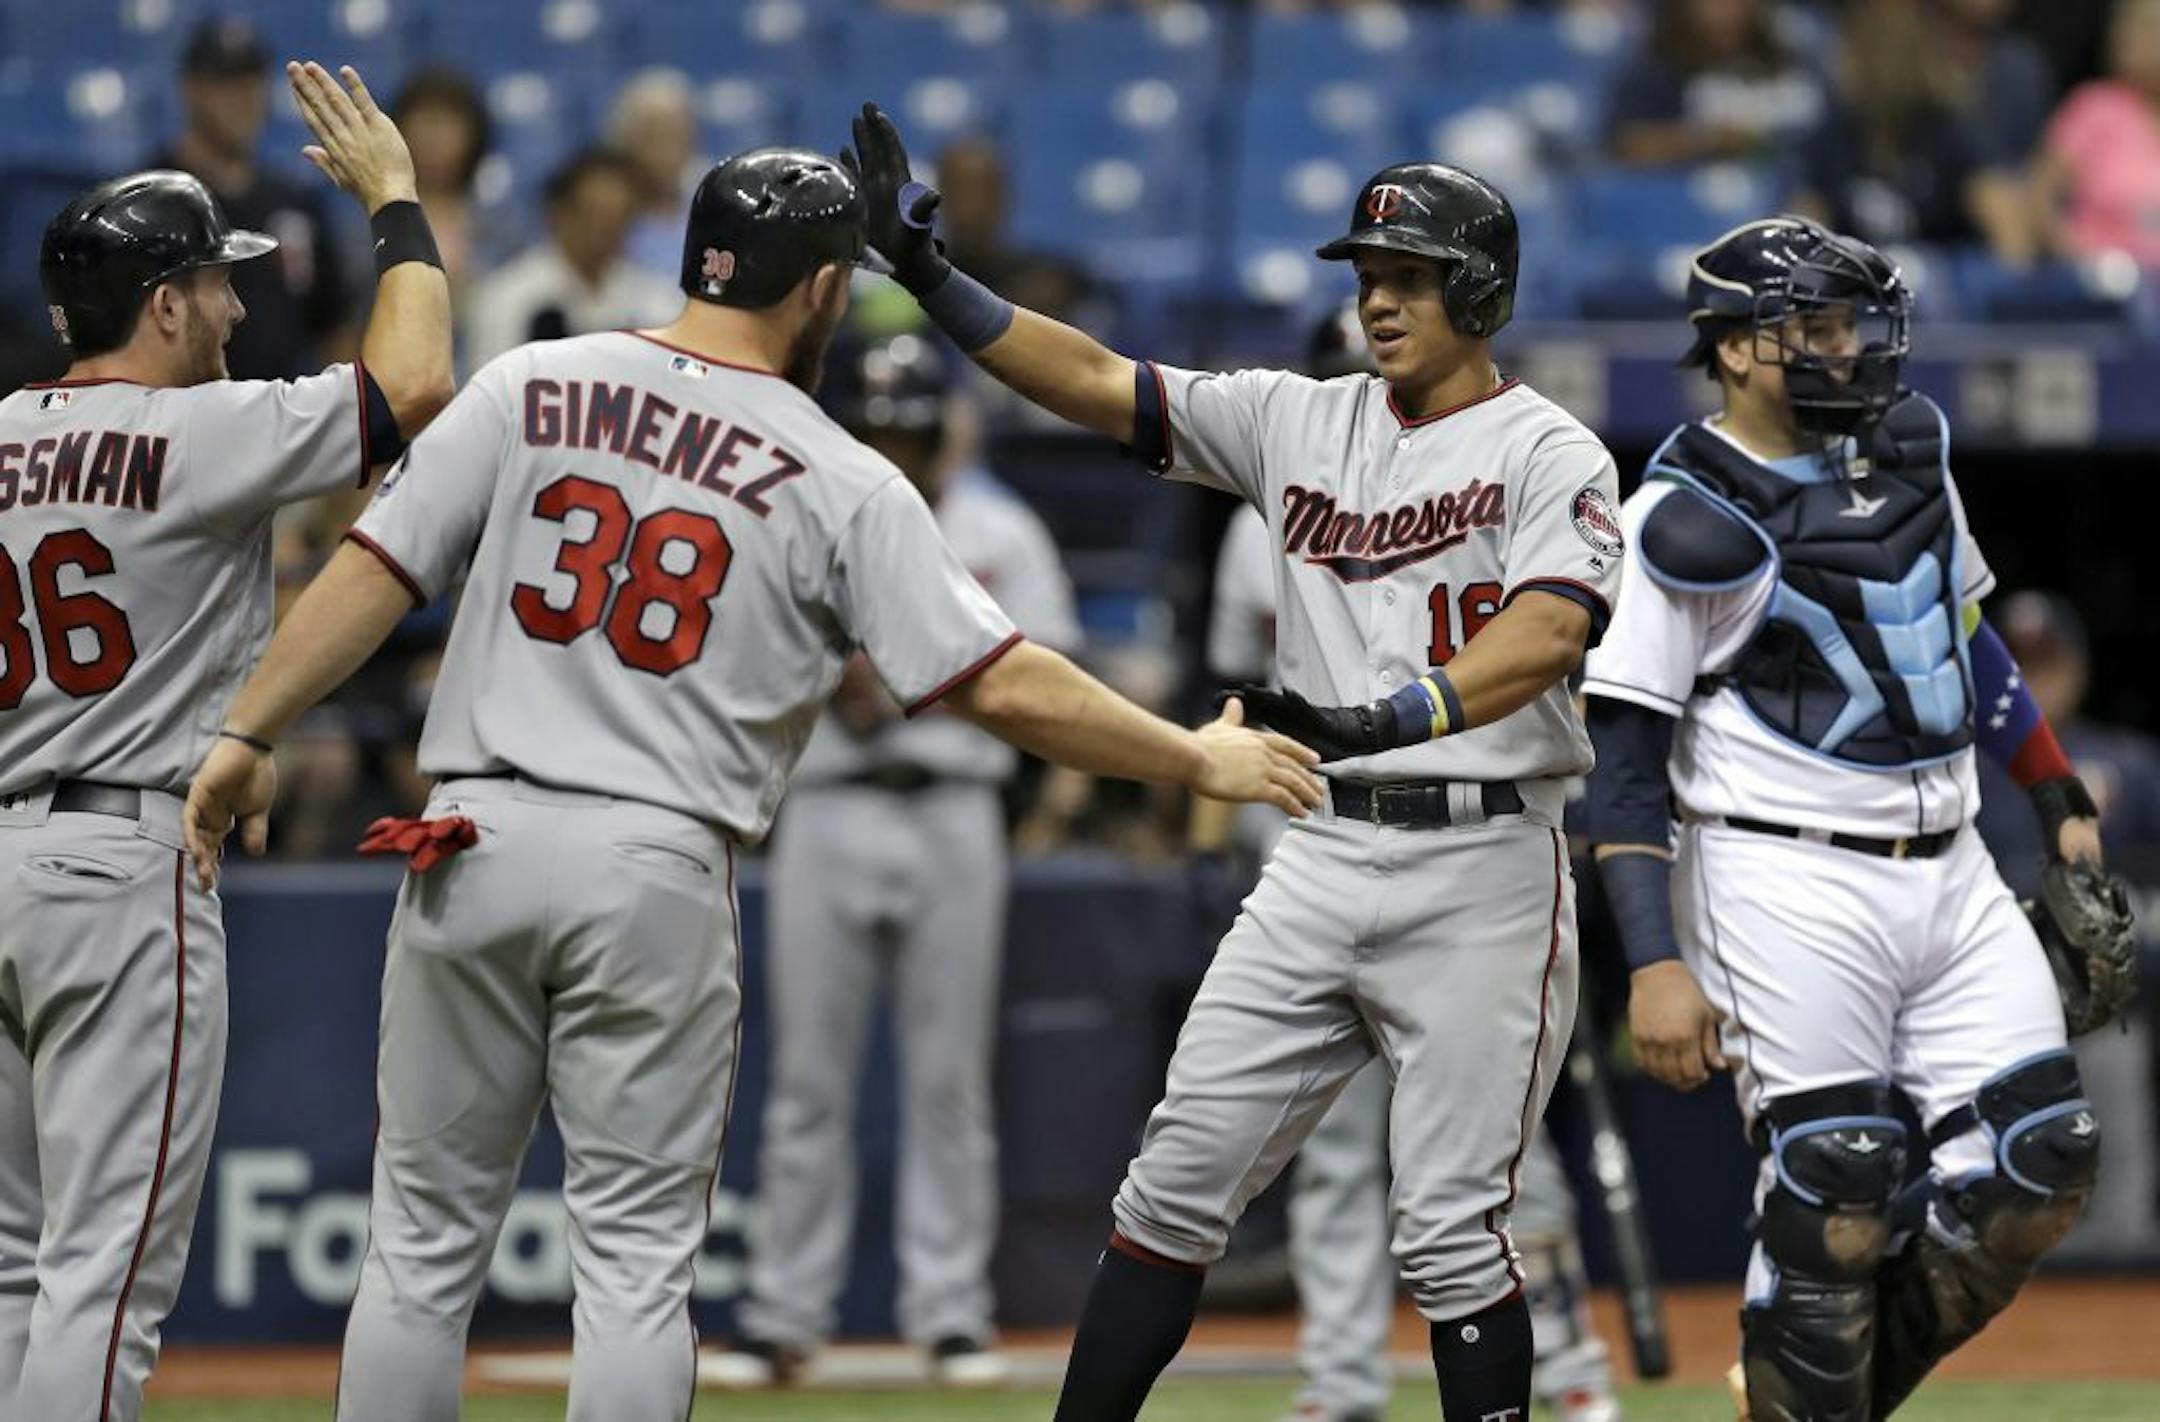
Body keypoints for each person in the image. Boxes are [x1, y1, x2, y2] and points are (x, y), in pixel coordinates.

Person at [180, 145, 1323, 1422]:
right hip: (655, 864)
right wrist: (1188, 753)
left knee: (417, 1253)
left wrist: (246, 730)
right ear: (824, 290)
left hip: (472, 831)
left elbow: (372, 568)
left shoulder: (535, 381)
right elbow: (1000, 682)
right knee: (631, 1273)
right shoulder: (838, 472)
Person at [840, 102, 1624, 1422]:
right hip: (1318, 843)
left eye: (1410, 280)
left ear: (1479, 287)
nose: (1379, 303)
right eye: (1369, 279)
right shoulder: (1294, 418)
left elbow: (1550, 630)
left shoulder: (1551, 449)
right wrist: (934, 283)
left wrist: (1399, 714)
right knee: (1173, 1180)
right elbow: (1099, 382)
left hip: (1486, 857)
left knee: (1448, 1230)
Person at [1576, 216, 2121, 1420]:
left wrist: (2056, 790)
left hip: (1956, 865)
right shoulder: (1683, 512)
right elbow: (1622, 761)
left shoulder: (1914, 445)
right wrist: (1654, 965)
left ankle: (1808, 1397)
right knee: (1835, 1189)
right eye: (1810, 330)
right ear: (1732, 352)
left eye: (1849, 325)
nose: (1843, 351)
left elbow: (1959, 632)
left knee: (2041, 1166)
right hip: (1782, 876)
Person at [0, 63, 452, 1422]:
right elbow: (415, 378)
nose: (240, 307)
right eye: (217, 284)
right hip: (123, 866)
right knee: (106, 1271)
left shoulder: (2, 434)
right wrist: (398, 204)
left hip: (7, 842)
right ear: (162, 305)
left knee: (15, 1261)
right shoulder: (198, 428)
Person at [1203, 304, 1622, 1422]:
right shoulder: (1275, 508)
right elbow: (1238, 692)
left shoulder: (1515, 463)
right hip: (1315, 824)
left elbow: (1549, 643)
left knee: (1484, 1177)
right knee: (1339, 1160)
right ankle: (1341, 1380)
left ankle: (1573, 1376)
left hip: (1481, 829)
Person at [716, 332, 1081, 1389]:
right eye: (876, 426)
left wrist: (927, 675)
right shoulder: (801, 509)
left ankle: (950, 1316)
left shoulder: (995, 525)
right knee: (806, 1085)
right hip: (826, 801)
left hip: (954, 799)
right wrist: (833, 676)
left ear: (942, 429)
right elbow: (741, 656)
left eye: (909, 428)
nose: (893, 444)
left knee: (949, 1079)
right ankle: (784, 1318)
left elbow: (1050, 666)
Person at [149, 16, 358, 377]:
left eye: (251, 82)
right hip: (181, 411)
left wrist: (344, 417)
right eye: (225, 83)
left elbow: (333, 326)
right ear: (191, 89)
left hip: (277, 412)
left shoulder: (294, 201)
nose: (242, 99)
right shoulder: (150, 197)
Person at [1793, 0, 2053, 263]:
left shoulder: (1949, 129)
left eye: (1897, 51)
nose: (1886, 68)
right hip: (1857, 283)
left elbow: (2014, 244)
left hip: (1938, 280)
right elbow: (1803, 232)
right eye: (1874, 49)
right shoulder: (1834, 133)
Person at [461, 147, 679, 368]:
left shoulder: (656, 303)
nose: (601, 230)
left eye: (616, 219)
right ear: (557, 212)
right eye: (591, 215)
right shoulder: (506, 298)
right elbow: (489, 390)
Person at [1604, 0, 1827, 168]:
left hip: (1781, 202)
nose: (1726, 11)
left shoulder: (1789, 67)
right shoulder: (1657, 69)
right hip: (1686, 209)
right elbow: (1628, 144)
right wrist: (1708, 140)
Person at [2034, 0, 2160, 268]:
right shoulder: (2093, 107)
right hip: (2104, 288)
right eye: (2125, 30)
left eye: (2148, 31)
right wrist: (2076, 256)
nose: (2130, 40)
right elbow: (2040, 196)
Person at [607, 69, 703, 284]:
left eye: (677, 136)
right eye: (654, 137)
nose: (667, 152)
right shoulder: (609, 217)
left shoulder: (711, 207)